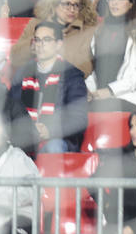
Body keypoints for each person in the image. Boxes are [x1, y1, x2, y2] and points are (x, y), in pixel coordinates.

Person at [9, 20, 88, 153]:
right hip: (25, 138)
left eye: (46, 39)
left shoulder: (71, 75)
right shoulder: (23, 72)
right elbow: (10, 109)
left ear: (58, 45)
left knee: (54, 146)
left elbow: (78, 120)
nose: (40, 45)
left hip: (58, 139)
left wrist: (49, 130)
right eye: (37, 40)